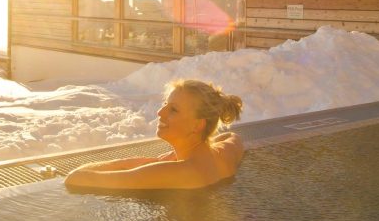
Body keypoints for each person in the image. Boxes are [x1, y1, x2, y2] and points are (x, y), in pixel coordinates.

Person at [65, 79, 245, 191]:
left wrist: (148, 162)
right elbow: (233, 138)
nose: (160, 112)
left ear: (197, 125)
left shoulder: (179, 172)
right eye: (165, 104)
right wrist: (175, 156)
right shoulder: (223, 155)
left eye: (173, 110)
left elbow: (75, 178)